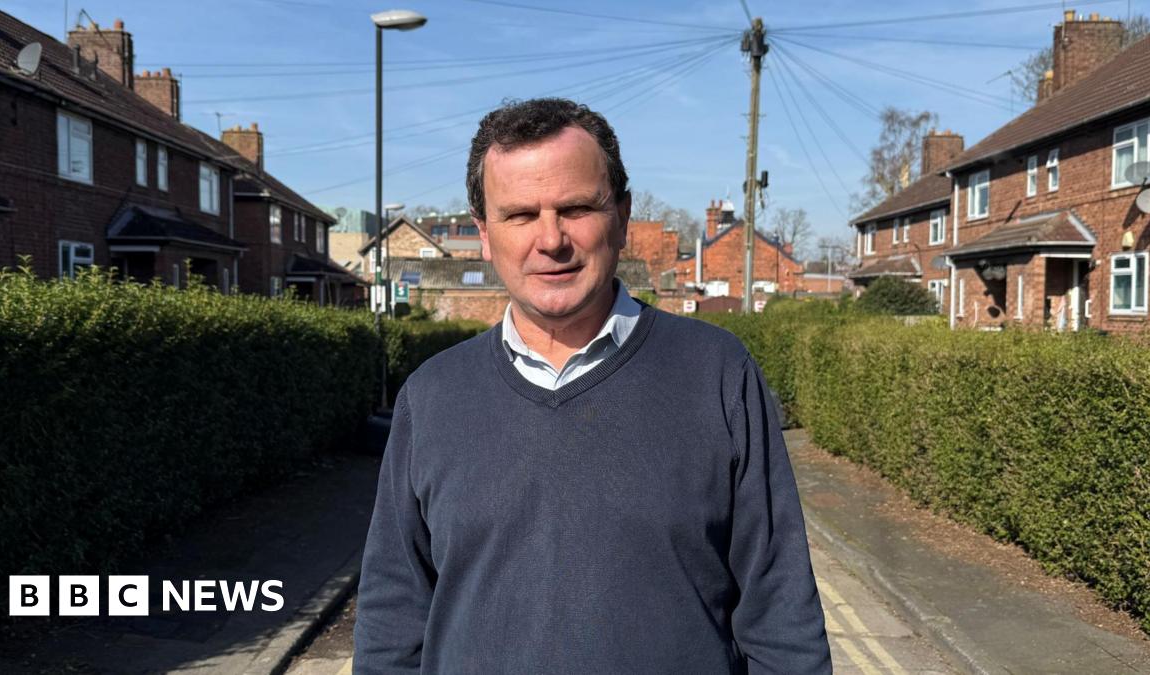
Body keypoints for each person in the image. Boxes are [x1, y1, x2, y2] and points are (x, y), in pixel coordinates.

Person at [353, 97, 830, 674]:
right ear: (483, 233)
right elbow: (391, 621)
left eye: (576, 208)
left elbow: (783, 621)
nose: (550, 240)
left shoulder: (717, 374)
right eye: (521, 215)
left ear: (623, 217)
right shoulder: (431, 397)